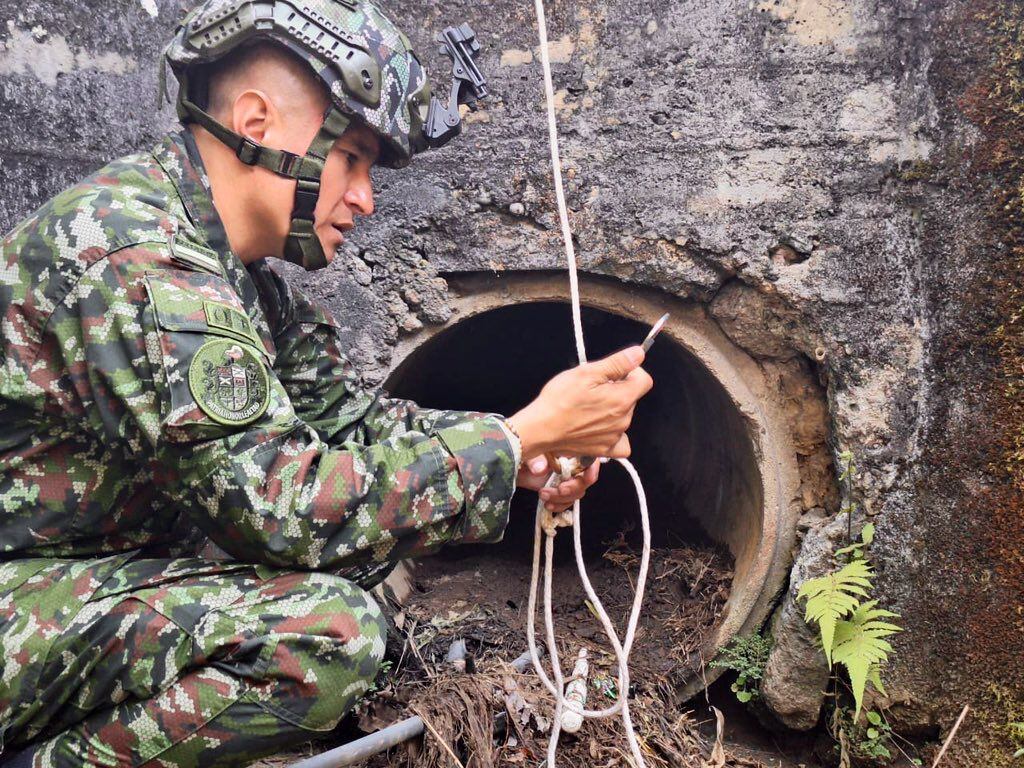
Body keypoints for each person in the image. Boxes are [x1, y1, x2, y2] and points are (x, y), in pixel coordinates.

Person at [0, 2, 653, 766]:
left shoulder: (241, 282)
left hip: (81, 579)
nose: (366, 198)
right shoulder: (139, 263)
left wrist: (520, 453)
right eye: (353, 159)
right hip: (24, 589)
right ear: (255, 121)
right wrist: (515, 438)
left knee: (364, 550)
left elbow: (349, 426)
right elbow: (284, 506)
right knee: (329, 635)